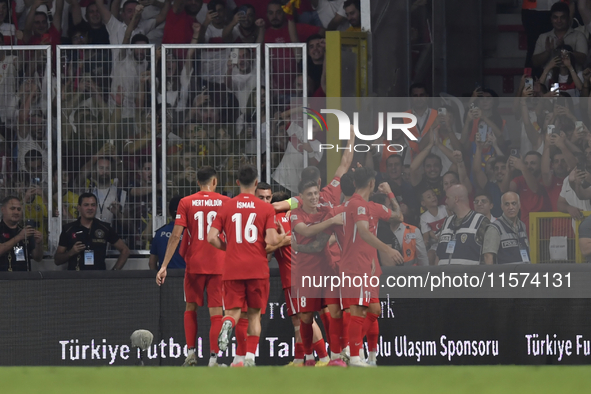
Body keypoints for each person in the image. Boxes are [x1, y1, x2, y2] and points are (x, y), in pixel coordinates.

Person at [207, 165, 285, 367]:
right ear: (256, 183)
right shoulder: (266, 208)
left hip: (233, 267)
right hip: (257, 268)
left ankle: (227, 325)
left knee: (232, 313)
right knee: (254, 315)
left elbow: (211, 238)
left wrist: (228, 247)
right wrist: (282, 235)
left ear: (238, 183)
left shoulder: (227, 206)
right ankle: (250, 357)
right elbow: (271, 241)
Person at [156, 167, 230, 367]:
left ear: (198, 183)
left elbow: (176, 236)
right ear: (215, 182)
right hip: (219, 264)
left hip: (195, 264)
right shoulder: (225, 202)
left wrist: (164, 266)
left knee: (190, 308)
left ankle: (190, 353)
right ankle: (214, 359)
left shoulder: (186, 202)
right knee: (216, 313)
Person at [340, 167, 403, 367]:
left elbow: (399, 216)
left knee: (374, 309)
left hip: (370, 266)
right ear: (371, 183)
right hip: (355, 264)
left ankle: (369, 357)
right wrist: (388, 250)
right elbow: (364, 233)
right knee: (358, 310)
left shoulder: (372, 207)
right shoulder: (355, 205)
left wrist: (390, 193)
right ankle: (354, 355)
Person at [54, 193, 130, 271]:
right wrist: (71, 252)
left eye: (93, 205)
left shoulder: (105, 228)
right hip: (76, 279)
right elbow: (57, 260)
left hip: (99, 279)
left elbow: (125, 250)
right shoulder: (69, 229)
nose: (90, 208)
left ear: (96, 207)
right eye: (86, 205)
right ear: (79, 208)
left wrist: (114, 272)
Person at [435, 185, 490, 265]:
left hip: (470, 276)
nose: (445, 201)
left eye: (448, 198)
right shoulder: (446, 222)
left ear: (456, 199)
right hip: (444, 276)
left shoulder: (481, 221)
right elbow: (438, 255)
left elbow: (488, 256)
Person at [503, 151, 552, 235]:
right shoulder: (520, 180)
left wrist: (523, 168)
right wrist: (508, 172)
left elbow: (535, 189)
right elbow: (505, 191)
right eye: (526, 163)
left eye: (533, 163)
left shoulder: (547, 179)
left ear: (541, 165)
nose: (528, 166)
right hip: (525, 229)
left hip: (544, 231)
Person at [532, 2, 587, 69]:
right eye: (555, 17)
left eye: (562, 17)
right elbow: (534, 63)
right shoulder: (543, 37)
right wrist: (547, 52)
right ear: (551, 19)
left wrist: (565, 48)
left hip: (574, 78)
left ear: (568, 18)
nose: (559, 21)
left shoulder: (579, 35)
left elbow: (583, 60)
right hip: (549, 77)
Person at [483, 192, 530, 265]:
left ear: (519, 205)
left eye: (514, 203)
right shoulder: (494, 228)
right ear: (502, 206)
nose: (511, 207)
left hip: (524, 274)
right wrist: (492, 275)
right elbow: (488, 256)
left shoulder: (522, 225)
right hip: (505, 275)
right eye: (507, 204)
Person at [0, 196, 43, 272]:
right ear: (3, 210)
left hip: (24, 280)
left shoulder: (25, 231)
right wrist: (19, 237)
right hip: (3, 280)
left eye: (19, 209)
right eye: (12, 208)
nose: (16, 212)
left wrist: (38, 243)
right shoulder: (22, 233)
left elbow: (37, 258)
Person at [148, 196, 185, 270]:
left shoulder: (159, 233)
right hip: (186, 277)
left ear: (169, 212)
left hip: (165, 278)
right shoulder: (191, 234)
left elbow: (152, 262)